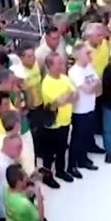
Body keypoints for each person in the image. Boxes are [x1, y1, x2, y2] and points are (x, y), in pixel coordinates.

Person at [39, 53, 77, 185]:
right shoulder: (46, 83)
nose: (62, 66)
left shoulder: (65, 78)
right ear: (49, 66)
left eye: (62, 63)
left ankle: (60, 170)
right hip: (52, 123)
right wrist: (67, 95)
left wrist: (65, 97)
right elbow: (57, 102)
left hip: (65, 120)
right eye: (59, 63)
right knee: (48, 153)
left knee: (62, 149)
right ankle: (47, 176)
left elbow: (75, 96)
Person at [67, 45, 101, 177]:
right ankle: (72, 165)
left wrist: (92, 86)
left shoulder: (89, 67)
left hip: (90, 107)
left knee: (86, 136)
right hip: (79, 111)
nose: (90, 55)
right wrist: (93, 86)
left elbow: (97, 83)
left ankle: (83, 160)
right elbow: (88, 89)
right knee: (77, 139)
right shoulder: (74, 71)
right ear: (79, 56)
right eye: (87, 53)